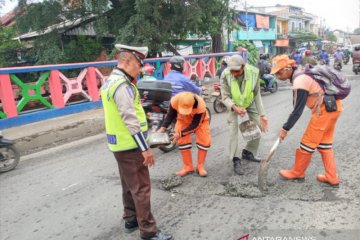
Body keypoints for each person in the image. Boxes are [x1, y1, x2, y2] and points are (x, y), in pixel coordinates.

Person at [100, 44, 172, 240]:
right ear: (127, 61)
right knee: (141, 188)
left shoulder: (109, 82)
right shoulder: (122, 85)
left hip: (118, 144)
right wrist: (145, 149)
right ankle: (149, 231)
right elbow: (129, 119)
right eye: (139, 65)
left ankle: (130, 218)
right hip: (131, 145)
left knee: (128, 183)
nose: (139, 69)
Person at [270, 55, 342, 187]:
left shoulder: (300, 81)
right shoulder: (302, 74)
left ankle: (298, 172)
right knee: (324, 144)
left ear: (288, 68)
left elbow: (297, 111)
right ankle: (332, 177)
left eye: (279, 72)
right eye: (275, 74)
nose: (277, 76)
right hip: (334, 107)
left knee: (307, 143)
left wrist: (285, 129)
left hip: (325, 110)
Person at [221, 55, 269, 175]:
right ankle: (235, 158)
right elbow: (225, 96)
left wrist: (262, 115)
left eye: (236, 71)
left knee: (259, 125)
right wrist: (235, 108)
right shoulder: (225, 74)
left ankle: (248, 152)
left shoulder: (254, 73)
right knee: (233, 130)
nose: (234, 74)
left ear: (243, 67)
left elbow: (257, 94)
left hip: (249, 101)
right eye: (232, 70)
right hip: (234, 104)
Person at [158, 91, 211, 177]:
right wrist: (163, 127)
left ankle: (200, 166)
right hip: (183, 120)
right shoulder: (175, 100)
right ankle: (188, 167)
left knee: (205, 141)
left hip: (200, 122)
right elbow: (170, 115)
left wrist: (180, 133)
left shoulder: (200, 105)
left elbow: (195, 125)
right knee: (182, 141)